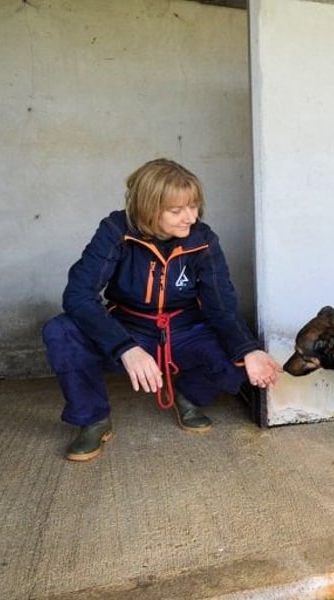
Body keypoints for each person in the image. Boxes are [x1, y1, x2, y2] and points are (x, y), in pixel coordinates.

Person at [42, 158, 282, 462]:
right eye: (177, 210)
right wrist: (125, 347)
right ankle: (93, 420)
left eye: (194, 206)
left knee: (239, 362)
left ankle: (188, 396)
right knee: (61, 330)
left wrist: (249, 350)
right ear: (148, 208)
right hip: (130, 329)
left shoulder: (203, 240)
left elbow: (222, 305)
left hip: (184, 331)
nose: (191, 218)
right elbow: (78, 295)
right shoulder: (116, 231)